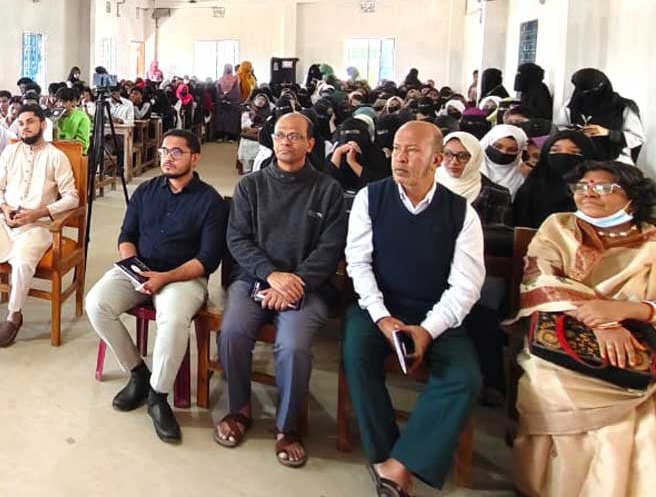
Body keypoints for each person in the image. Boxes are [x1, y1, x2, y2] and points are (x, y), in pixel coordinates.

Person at [343, 121, 485, 496]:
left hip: (436, 311)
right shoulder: (370, 198)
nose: (400, 158)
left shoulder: (462, 213)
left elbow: (465, 286)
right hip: (380, 306)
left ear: (437, 159)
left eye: (412, 150)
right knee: (357, 355)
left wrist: (427, 329)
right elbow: (358, 264)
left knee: (464, 377)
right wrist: (382, 317)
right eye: (396, 148)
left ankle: (399, 464)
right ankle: (384, 451)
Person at [510, 160, 656, 497]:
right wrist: (601, 321)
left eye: (604, 187)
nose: (589, 193)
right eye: (583, 186)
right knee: (556, 389)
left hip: (635, 342)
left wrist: (625, 311)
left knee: (643, 422)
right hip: (562, 337)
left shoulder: (650, 241)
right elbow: (541, 279)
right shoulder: (558, 226)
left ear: (632, 198)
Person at [216, 113, 347, 466]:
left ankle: (288, 427)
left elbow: (330, 248)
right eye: (280, 135)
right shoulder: (251, 185)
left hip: (310, 284)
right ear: (271, 141)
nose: (286, 141)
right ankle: (240, 408)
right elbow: (237, 239)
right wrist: (272, 275)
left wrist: (294, 282)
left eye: (294, 136)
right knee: (232, 332)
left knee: (292, 345)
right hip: (255, 279)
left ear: (310, 144)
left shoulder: (328, 190)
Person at [86, 129, 226, 444]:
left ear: (195, 157)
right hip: (140, 270)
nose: (168, 157)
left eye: (177, 152)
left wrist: (164, 278)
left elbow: (207, 259)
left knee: (174, 320)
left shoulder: (210, 202)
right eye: (164, 151)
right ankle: (138, 373)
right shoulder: (146, 191)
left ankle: (158, 397)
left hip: (183, 276)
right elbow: (126, 236)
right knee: (96, 304)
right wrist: (135, 268)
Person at [0, 106, 77, 354]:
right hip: (6, 221)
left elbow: (72, 198)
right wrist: (3, 207)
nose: (25, 127)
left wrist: (39, 213)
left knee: (23, 262)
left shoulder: (56, 156)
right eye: (21, 123)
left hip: (38, 225)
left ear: (43, 125)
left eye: (31, 122)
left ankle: (14, 315)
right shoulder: (11, 152)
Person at [436, 131, 513, 405]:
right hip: (431, 266)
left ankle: (490, 380)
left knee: (482, 313)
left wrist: (458, 236)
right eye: (448, 154)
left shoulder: (495, 193)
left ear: (475, 157)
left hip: (476, 267)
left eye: (462, 156)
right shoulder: (426, 185)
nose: (454, 162)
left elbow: (498, 238)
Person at [558, 68, 645, 163]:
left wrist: (608, 133)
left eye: (594, 90)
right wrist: (575, 132)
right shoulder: (571, 105)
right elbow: (561, 128)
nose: (589, 95)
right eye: (585, 91)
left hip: (614, 160)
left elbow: (637, 138)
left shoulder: (622, 106)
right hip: (578, 158)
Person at [512, 129, 593, 230]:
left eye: (575, 152)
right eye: (555, 150)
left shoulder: (596, 191)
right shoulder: (531, 188)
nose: (564, 157)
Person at [327, 116, 389, 191]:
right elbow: (327, 184)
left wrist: (352, 162)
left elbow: (377, 185)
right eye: (344, 133)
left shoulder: (376, 154)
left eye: (355, 133)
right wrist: (337, 153)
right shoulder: (335, 154)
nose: (349, 139)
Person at [479, 124, 529, 197]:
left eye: (511, 150)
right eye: (498, 146)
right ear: (487, 143)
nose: (503, 152)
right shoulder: (466, 166)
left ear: (519, 153)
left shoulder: (522, 176)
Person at [53, 87, 91, 153]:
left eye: (64, 102)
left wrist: (60, 142)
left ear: (73, 102)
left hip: (74, 153)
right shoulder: (54, 116)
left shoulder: (82, 117)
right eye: (58, 101)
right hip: (55, 152)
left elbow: (82, 143)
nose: (60, 105)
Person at [214, 64, 242, 142]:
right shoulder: (220, 79)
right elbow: (218, 89)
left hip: (232, 103)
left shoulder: (235, 79)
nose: (228, 69)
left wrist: (228, 96)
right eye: (227, 68)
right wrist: (221, 96)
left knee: (231, 120)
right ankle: (220, 136)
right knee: (221, 120)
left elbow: (236, 90)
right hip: (221, 103)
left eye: (229, 68)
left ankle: (231, 137)